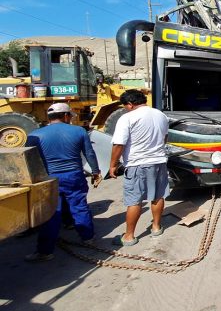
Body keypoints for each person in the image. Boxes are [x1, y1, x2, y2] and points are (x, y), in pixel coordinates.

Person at [24, 103, 101, 262]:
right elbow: (89, 153)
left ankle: (45, 251)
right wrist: (95, 171)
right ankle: (88, 238)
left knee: (51, 212)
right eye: (70, 116)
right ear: (66, 116)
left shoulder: (35, 135)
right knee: (79, 205)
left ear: (49, 117)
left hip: (49, 178)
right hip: (73, 176)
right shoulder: (79, 131)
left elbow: (27, 160)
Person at [109, 89, 169, 246]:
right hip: (159, 162)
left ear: (129, 104)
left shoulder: (127, 118)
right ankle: (156, 227)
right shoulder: (160, 115)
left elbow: (119, 144)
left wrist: (113, 165)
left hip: (137, 164)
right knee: (158, 196)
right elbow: (165, 137)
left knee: (134, 201)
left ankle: (129, 237)